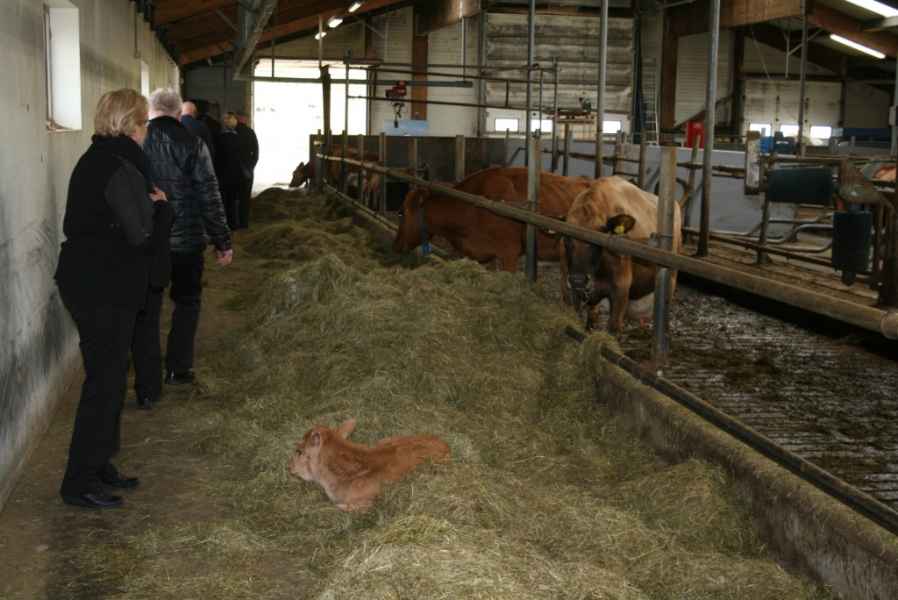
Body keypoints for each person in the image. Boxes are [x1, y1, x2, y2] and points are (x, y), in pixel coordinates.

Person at [55, 88, 167, 509]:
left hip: (93, 279)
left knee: (112, 377)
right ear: (133, 124)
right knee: (103, 383)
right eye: (144, 122)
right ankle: (78, 481)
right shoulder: (119, 166)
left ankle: (99, 463)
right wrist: (162, 208)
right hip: (101, 285)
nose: (146, 130)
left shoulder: (99, 158)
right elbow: (141, 233)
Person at [143, 88, 233, 386]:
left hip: (148, 240)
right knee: (187, 302)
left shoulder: (137, 141)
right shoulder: (193, 143)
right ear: (178, 111)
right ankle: (178, 368)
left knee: (148, 305)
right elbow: (209, 194)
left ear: (151, 109)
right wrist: (222, 241)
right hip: (187, 240)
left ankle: (147, 375)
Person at [215, 113, 245, 231]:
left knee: (223, 200)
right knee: (234, 201)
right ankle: (234, 225)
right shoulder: (239, 139)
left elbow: (216, 158)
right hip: (236, 175)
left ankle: (224, 224)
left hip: (223, 175)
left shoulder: (219, 138)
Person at [234, 111, 259, 229]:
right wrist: (250, 167)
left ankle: (233, 223)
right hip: (246, 171)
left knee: (232, 198)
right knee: (245, 198)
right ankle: (243, 223)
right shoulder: (250, 133)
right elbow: (256, 153)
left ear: (237, 118)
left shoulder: (231, 132)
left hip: (232, 171)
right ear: (245, 119)